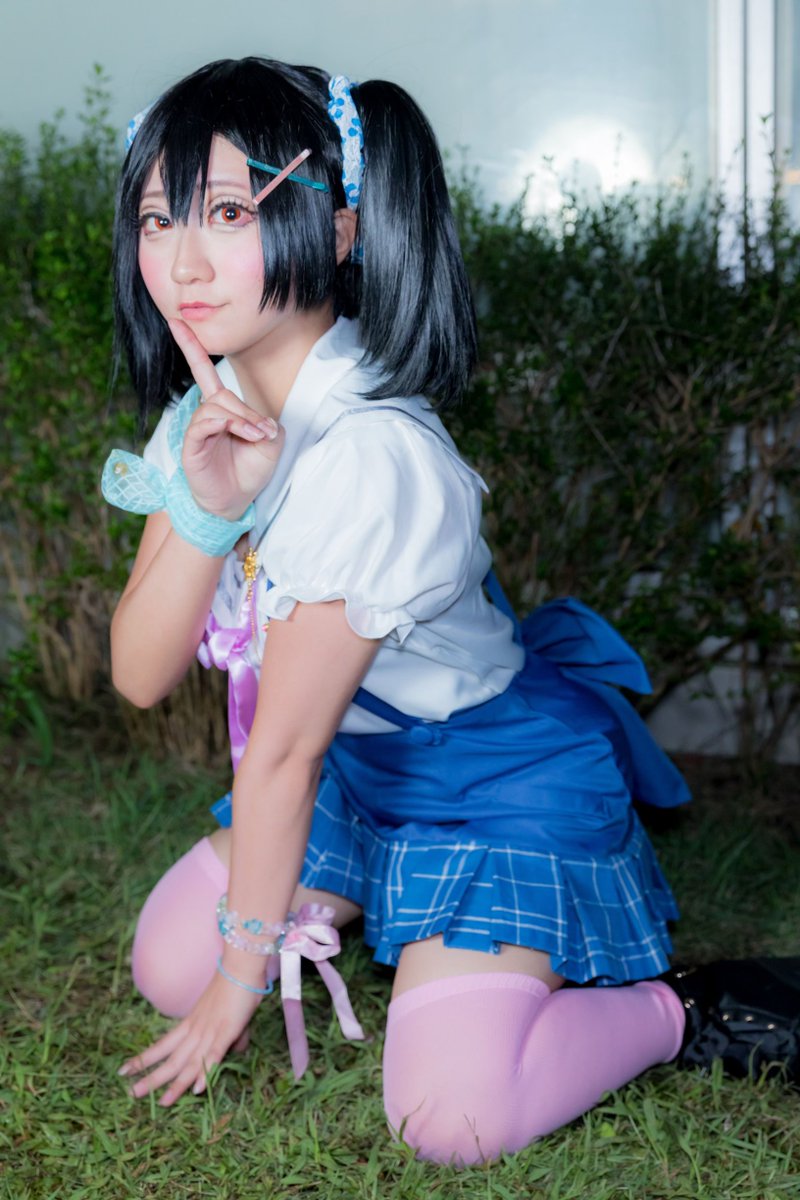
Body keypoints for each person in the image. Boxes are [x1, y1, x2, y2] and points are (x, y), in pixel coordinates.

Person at [102, 57, 799, 1166]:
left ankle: (678, 1007)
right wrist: (203, 507)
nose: (179, 261)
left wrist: (240, 985)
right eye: (156, 218)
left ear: (337, 229)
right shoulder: (205, 412)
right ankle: (381, 908)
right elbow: (140, 675)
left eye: (228, 212)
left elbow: (281, 753)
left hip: (493, 783)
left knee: (449, 1121)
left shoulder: (376, 459)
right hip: (358, 771)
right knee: (162, 966)